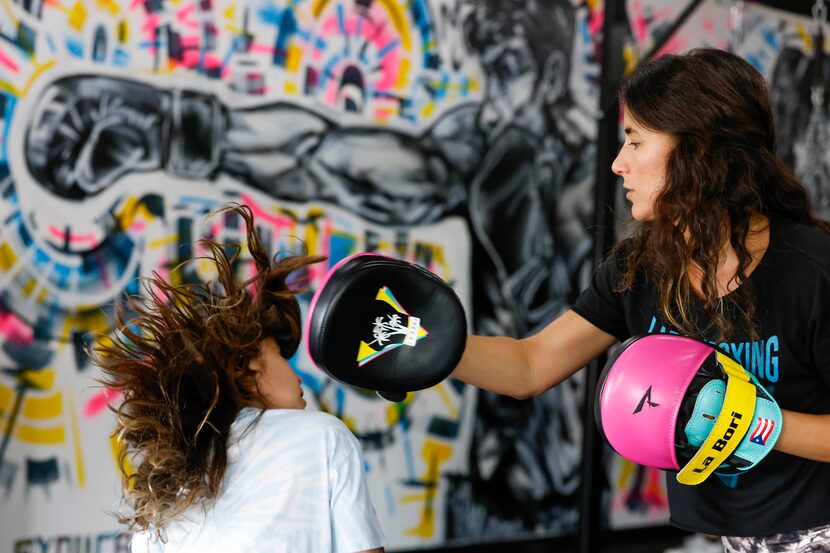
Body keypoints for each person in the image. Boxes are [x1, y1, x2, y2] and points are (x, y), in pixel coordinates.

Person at [451, 48, 830, 552]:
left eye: (635, 141)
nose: (618, 163)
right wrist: (422, 343)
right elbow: (530, 365)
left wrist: (752, 422)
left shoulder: (812, 270)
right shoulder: (642, 268)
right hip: (738, 539)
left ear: (700, 150)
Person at [91, 204, 386, 553]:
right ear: (246, 370)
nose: (296, 377)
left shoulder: (163, 490)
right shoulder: (323, 438)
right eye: (281, 356)